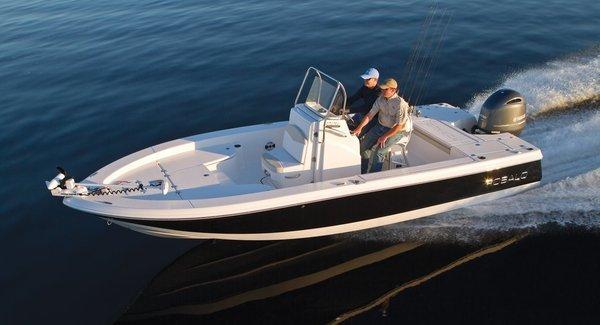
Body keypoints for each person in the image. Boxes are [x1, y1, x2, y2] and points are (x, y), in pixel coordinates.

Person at [351, 78, 411, 173]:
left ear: (393, 90)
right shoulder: (380, 99)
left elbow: (399, 126)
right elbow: (370, 115)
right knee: (363, 146)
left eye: (385, 89)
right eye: (382, 89)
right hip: (381, 125)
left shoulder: (401, 104)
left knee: (379, 152)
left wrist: (385, 136)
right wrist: (359, 128)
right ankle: (362, 172)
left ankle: (373, 176)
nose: (383, 91)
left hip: (396, 130)